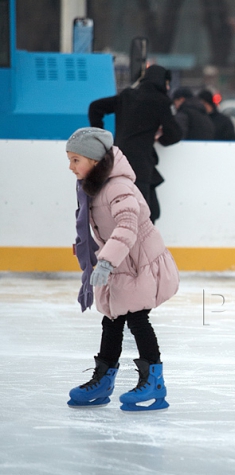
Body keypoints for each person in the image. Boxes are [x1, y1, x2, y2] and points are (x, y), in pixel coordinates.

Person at [65, 127, 180, 411]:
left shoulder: (118, 186)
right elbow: (103, 229)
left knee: (138, 319)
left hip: (140, 263)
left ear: (94, 160)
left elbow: (127, 227)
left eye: (76, 159)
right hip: (121, 264)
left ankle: (154, 383)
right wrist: (90, 250)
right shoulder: (93, 186)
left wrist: (106, 261)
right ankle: (103, 380)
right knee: (112, 320)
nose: (71, 167)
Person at [88, 64, 183, 223]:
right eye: (167, 83)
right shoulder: (160, 101)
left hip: (118, 162)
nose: (167, 87)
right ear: (162, 82)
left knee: (135, 211)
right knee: (144, 214)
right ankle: (134, 246)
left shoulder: (127, 96)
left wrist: (101, 138)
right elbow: (174, 134)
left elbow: (95, 107)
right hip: (140, 166)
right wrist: (160, 139)